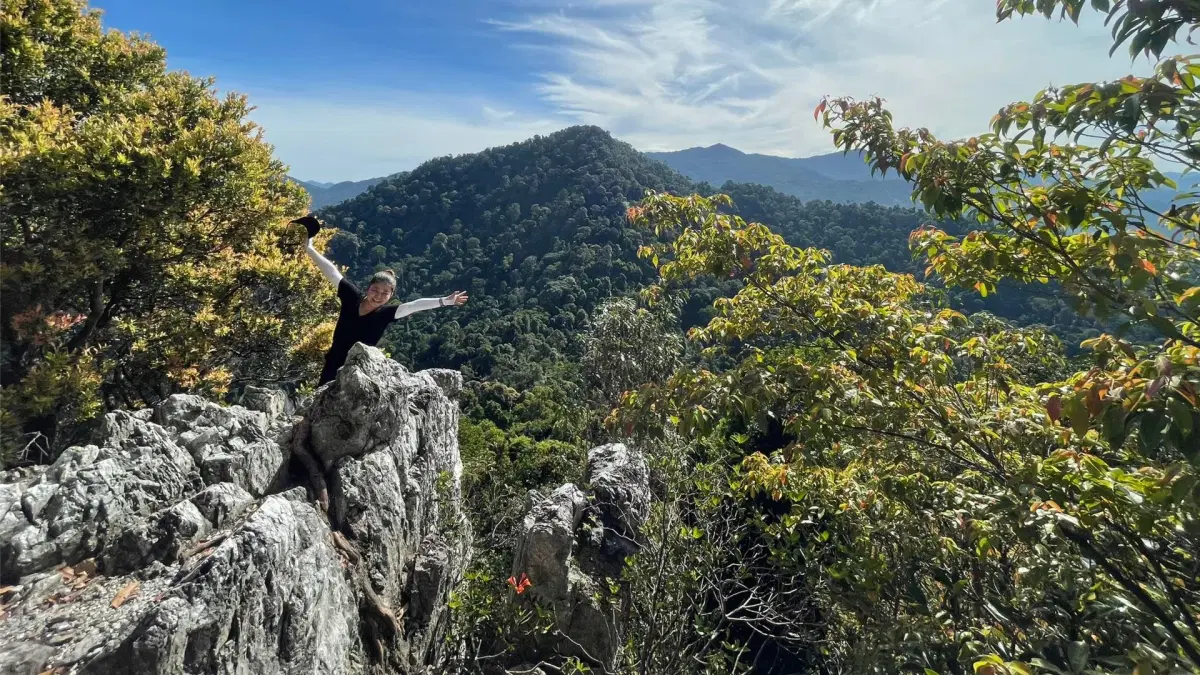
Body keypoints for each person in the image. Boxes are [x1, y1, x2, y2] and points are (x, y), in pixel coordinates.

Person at [293, 215, 468, 386]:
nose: (378, 295)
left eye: (385, 293)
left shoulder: (385, 314)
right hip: (332, 364)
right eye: (375, 290)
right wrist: (310, 248)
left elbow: (415, 305)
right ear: (368, 288)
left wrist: (445, 301)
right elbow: (332, 273)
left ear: (391, 296)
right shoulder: (351, 297)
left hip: (359, 373)